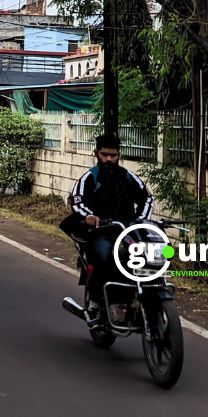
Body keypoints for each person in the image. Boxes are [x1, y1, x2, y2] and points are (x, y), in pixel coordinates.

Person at [63, 133, 154, 326]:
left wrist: (142, 220)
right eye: (105, 154)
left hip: (128, 230)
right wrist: (89, 216)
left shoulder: (127, 177)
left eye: (113, 155)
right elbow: (77, 200)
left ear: (118, 155)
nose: (109, 159)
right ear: (97, 153)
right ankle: (96, 306)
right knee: (103, 256)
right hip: (101, 231)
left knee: (151, 256)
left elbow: (147, 198)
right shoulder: (90, 177)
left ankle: (146, 297)